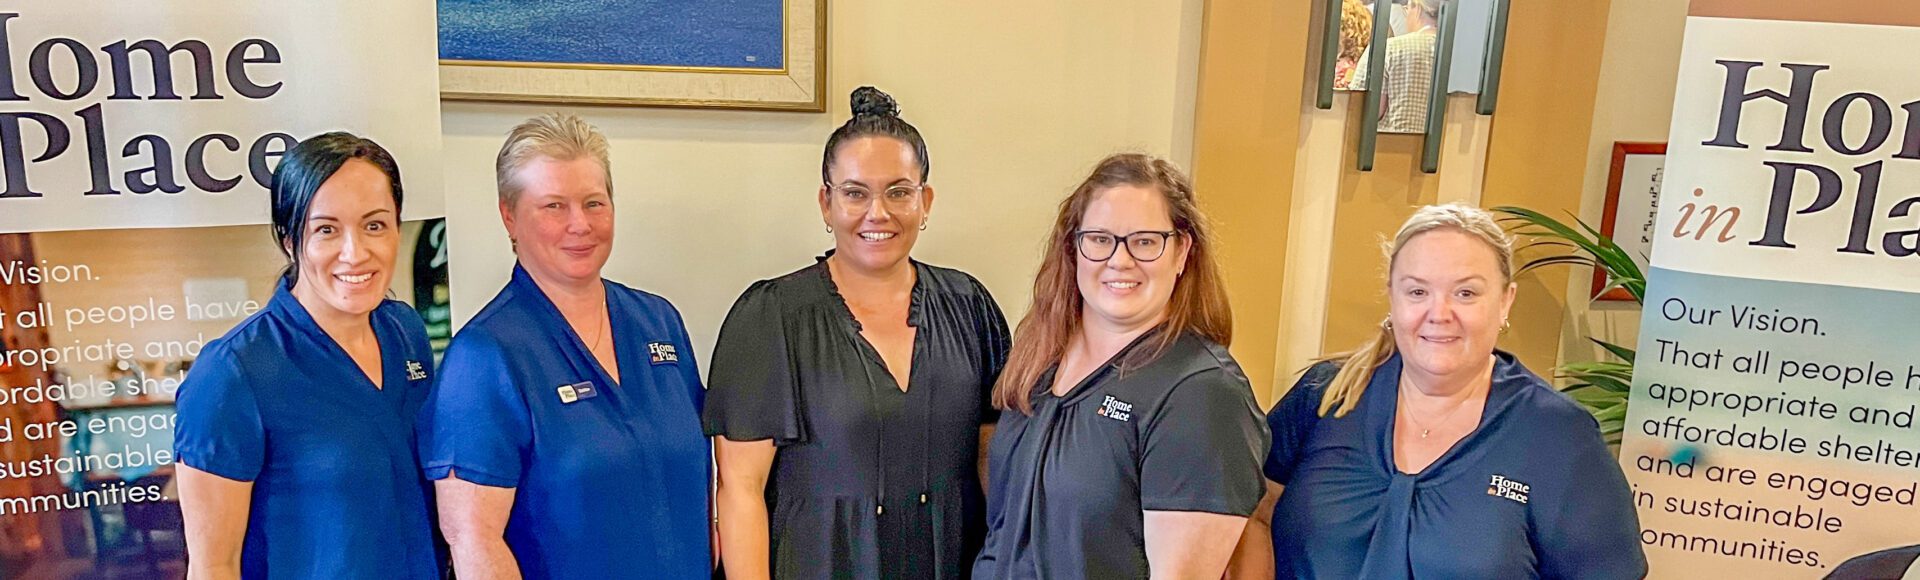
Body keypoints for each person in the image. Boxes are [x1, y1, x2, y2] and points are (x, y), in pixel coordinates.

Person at [1242, 204, 1645, 579]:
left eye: (1466, 293)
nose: (1439, 313)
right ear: (1393, 297)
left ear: (1506, 301)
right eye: (1417, 291)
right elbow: (1252, 515)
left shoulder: (1558, 436)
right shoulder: (1325, 396)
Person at [706, 86, 1010, 579]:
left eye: (898, 192)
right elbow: (740, 488)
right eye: (855, 193)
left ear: (925, 201)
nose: (878, 213)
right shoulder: (770, 318)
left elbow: (993, 462)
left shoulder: (970, 307)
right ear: (827, 203)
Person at [420, 113, 710, 579]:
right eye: (554, 206)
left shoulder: (659, 322)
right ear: (509, 216)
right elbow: (474, 542)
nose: (580, 224)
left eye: (594, 203)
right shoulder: (484, 358)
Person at [972, 153, 1268, 579]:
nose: (1120, 260)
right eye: (1100, 239)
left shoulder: (1201, 394)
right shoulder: (1041, 359)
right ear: (1074, 247)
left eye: (1145, 241)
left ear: (1182, 250)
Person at [175, 132, 441, 579]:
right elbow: (213, 567)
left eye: (375, 225)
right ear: (288, 239)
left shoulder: (406, 333)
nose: (355, 253)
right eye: (326, 230)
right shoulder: (232, 373)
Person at [1350, 0, 1440, 132]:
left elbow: (1361, 109)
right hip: (1445, 149)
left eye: (1406, 9)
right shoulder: (1457, 55)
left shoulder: (1387, 49)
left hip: (1390, 147)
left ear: (1416, 7)